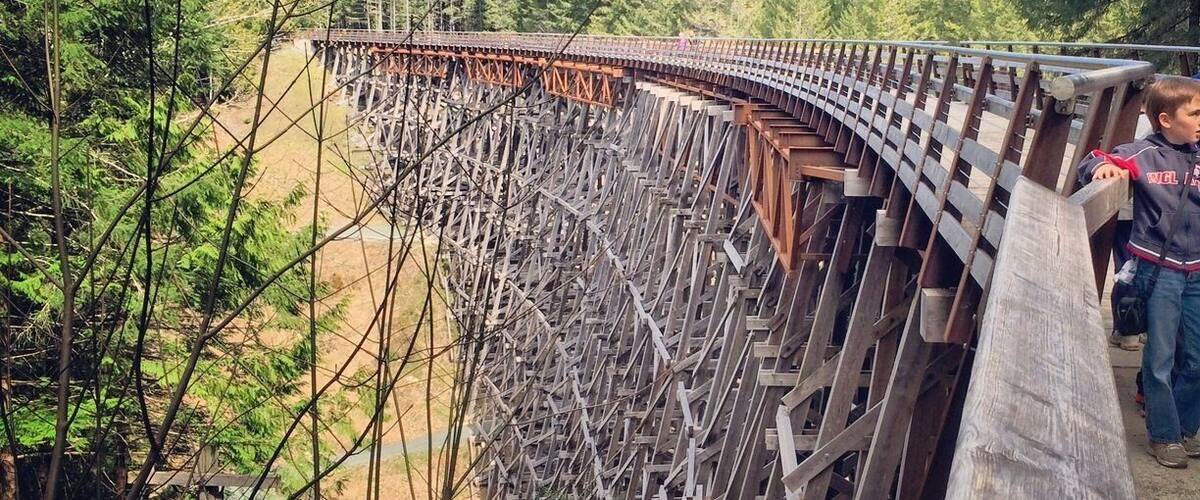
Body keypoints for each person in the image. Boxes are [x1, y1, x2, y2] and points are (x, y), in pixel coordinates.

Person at [1078, 75, 1200, 468]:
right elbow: (1094, 159)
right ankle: (1164, 436)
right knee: (1160, 356)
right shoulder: (1144, 154)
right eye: (1195, 113)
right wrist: (1100, 170)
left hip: (1197, 270)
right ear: (1165, 119)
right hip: (1159, 268)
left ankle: (1184, 427)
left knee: (1197, 358)